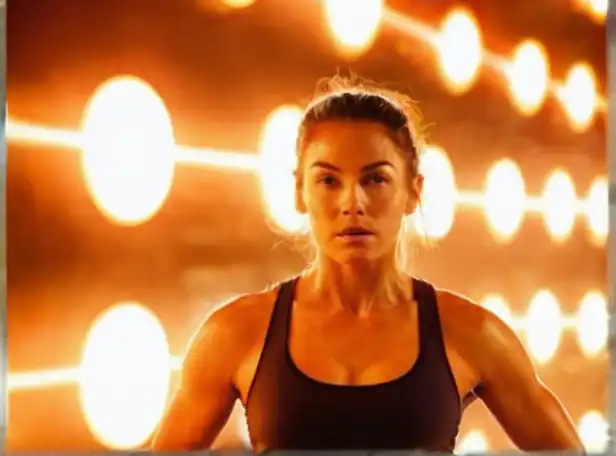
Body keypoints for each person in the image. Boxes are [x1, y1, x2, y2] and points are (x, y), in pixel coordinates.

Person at [151, 76, 584, 452]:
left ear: (413, 193)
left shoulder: (473, 333)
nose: (352, 203)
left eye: (375, 179)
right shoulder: (236, 332)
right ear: (299, 193)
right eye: (328, 181)